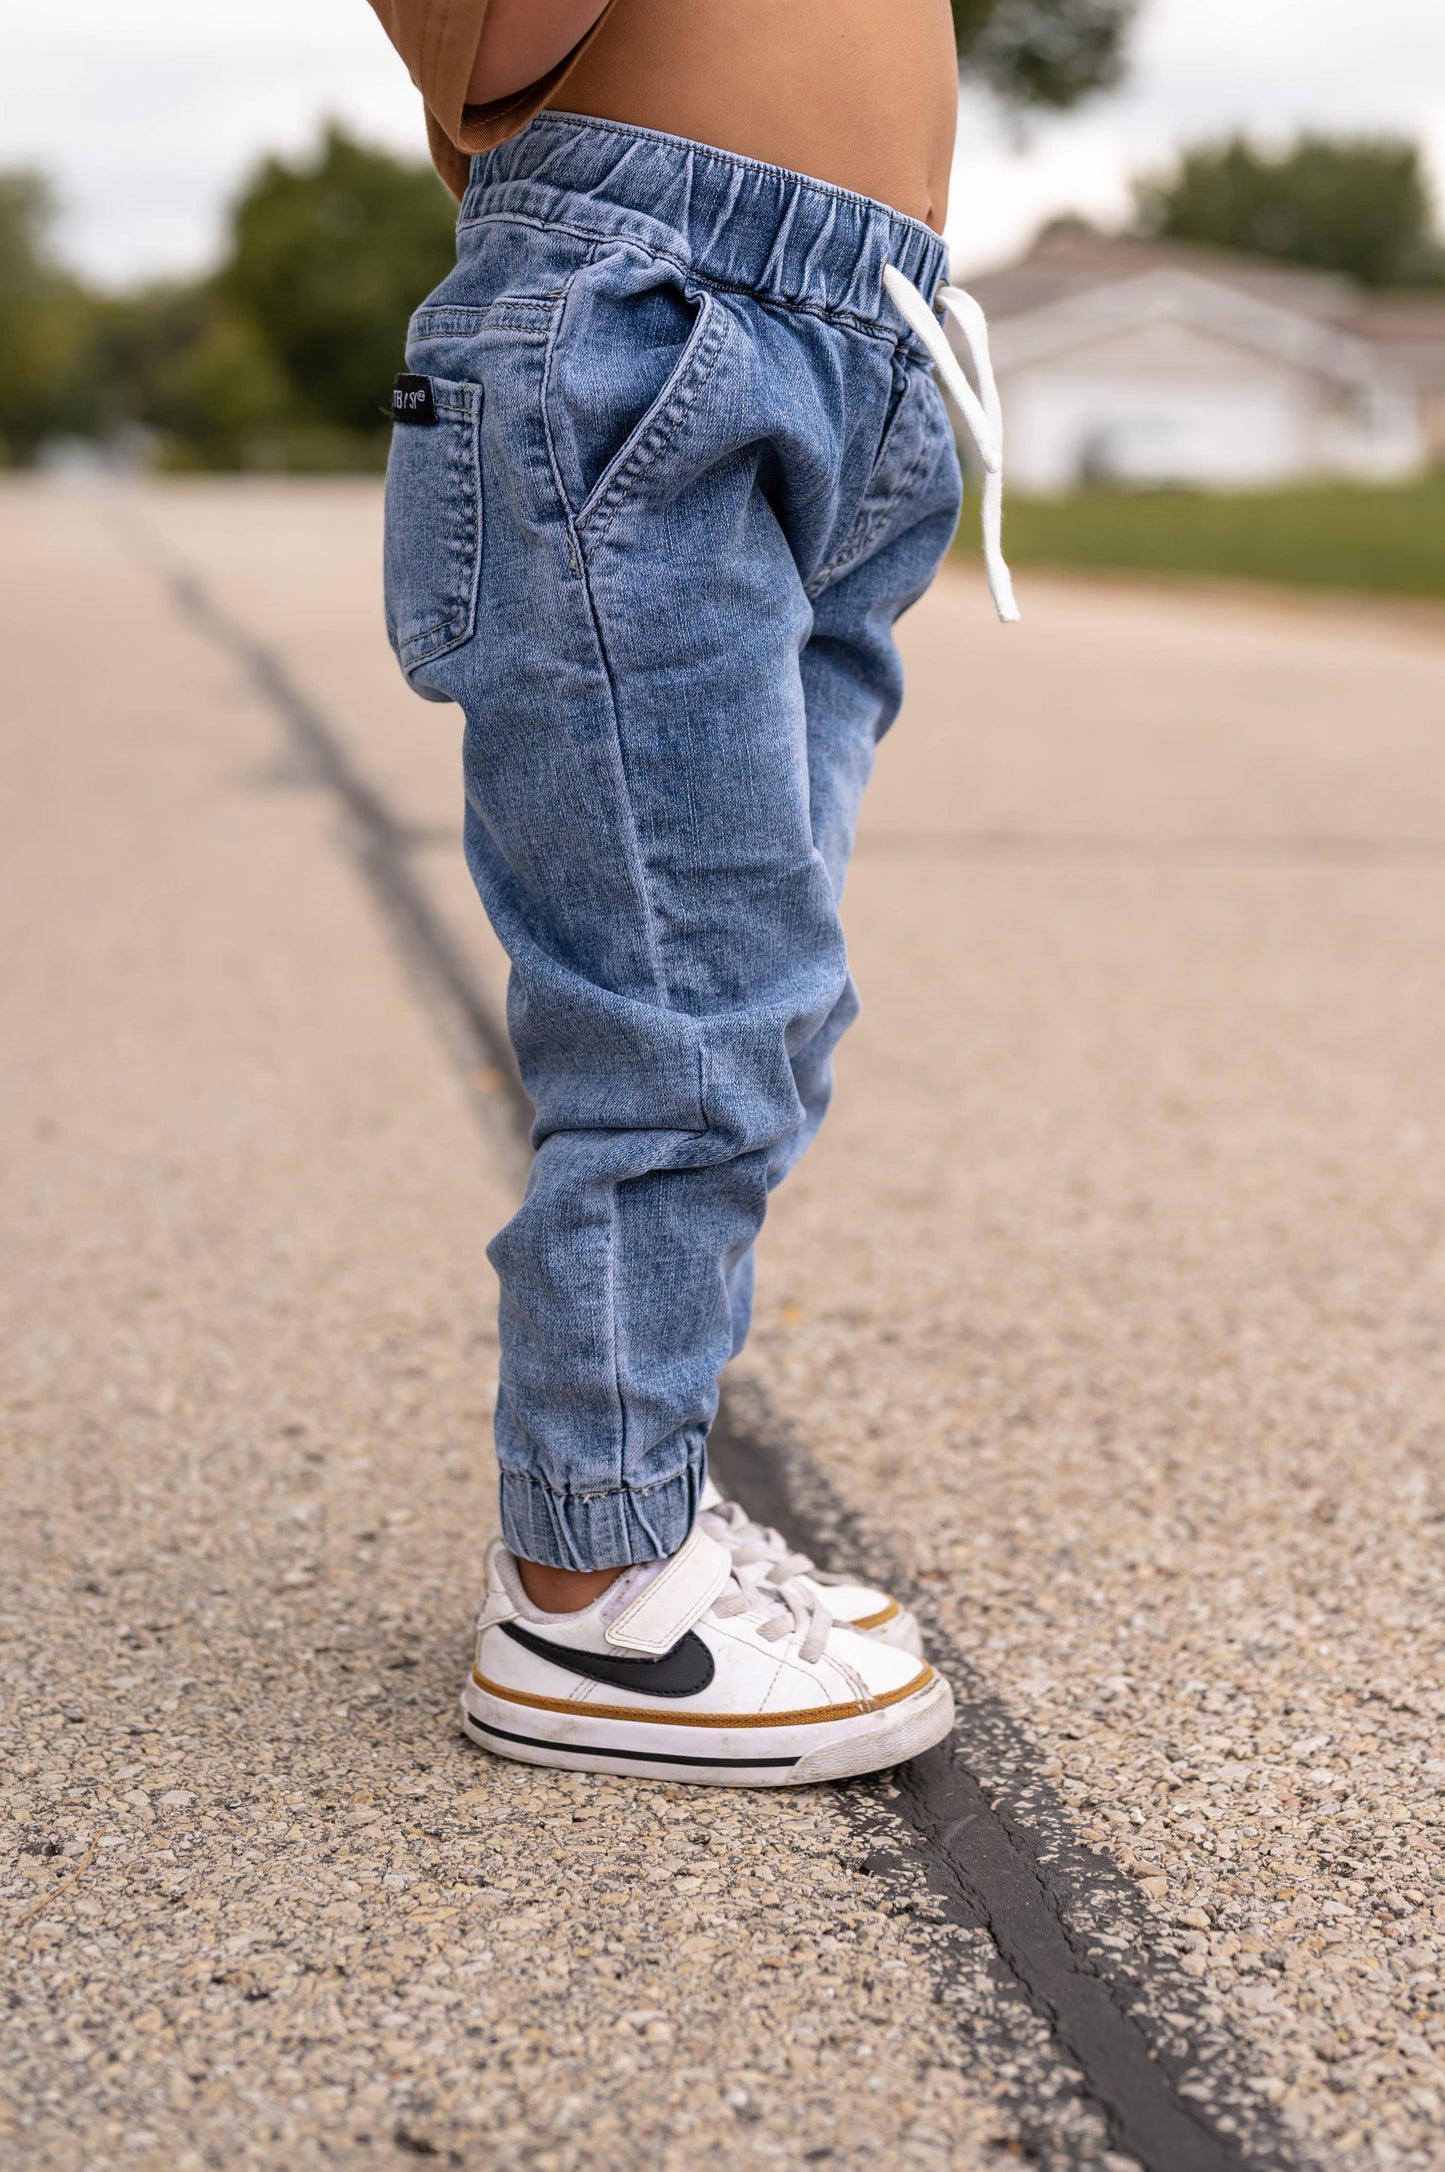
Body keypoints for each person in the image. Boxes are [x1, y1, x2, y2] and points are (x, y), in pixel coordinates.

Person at [367, 0, 1015, 1784]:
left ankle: (639, 1493)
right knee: (685, 1016)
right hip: (657, 306)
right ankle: (585, 1597)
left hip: (851, 323)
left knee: (763, 1003)